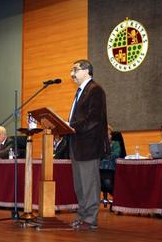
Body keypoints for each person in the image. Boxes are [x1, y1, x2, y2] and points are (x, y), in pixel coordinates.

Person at [68, 59, 110, 231]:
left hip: (89, 146)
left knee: (90, 184)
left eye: (75, 70)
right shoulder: (80, 92)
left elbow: (93, 119)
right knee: (80, 185)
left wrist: (71, 126)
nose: (72, 74)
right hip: (77, 145)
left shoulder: (95, 90)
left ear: (86, 70)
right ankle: (82, 216)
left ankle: (90, 218)